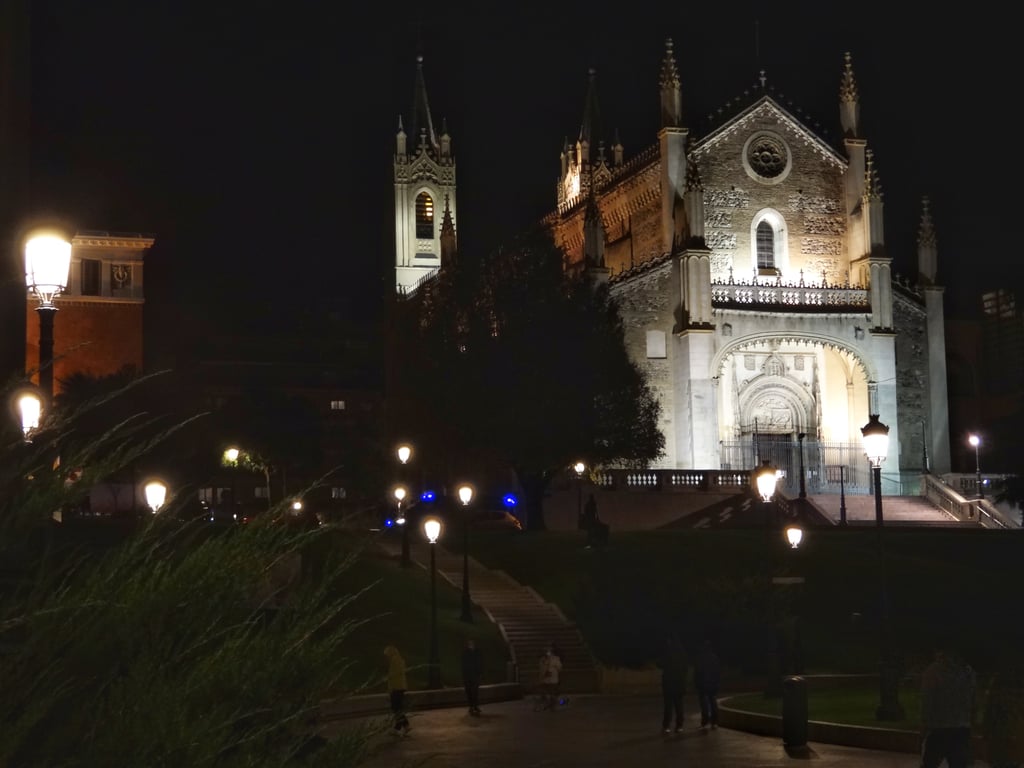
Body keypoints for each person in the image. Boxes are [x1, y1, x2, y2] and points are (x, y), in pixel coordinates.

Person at [920, 643, 977, 768]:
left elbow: (928, 701)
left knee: (930, 762)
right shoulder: (968, 672)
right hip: (961, 727)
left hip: (940, 727)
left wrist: (924, 726)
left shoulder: (933, 671)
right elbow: (971, 701)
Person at [660, 635, 687, 734]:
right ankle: (679, 725)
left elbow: (664, 666)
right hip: (679, 684)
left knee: (668, 706)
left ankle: (666, 726)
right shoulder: (682, 654)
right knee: (679, 706)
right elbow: (685, 670)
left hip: (669, 684)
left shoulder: (668, 653)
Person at [694, 638, 722, 729]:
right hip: (712, 684)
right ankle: (714, 722)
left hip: (703, 684)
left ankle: (705, 722)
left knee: (704, 704)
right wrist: (717, 682)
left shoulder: (700, 658)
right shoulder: (714, 658)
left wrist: (697, 683)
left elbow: (697, 672)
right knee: (713, 702)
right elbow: (717, 672)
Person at [384, 644, 411, 736]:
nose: (386, 657)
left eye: (387, 655)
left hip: (396, 688)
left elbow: (392, 676)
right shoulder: (400, 660)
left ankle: (401, 727)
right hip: (401, 687)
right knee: (398, 708)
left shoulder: (394, 661)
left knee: (396, 708)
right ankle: (403, 726)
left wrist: (390, 688)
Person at [461, 637, 483, 716]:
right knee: (469, 692)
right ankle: (471, 706)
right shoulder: (465, 652)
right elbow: (463, 664)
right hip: (468, 676)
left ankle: (475, 706)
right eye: (470, 643)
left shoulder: (477, 652)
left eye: (472, 643)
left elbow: (480, 662)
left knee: (475, 692)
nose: (471, 644)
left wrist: (480, 673)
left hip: (475, 675)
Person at [538, 644, 563, 710]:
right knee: (545, 693)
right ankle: (548, 704)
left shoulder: (555, 658)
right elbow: (541, 668)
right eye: (545, 651)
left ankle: (553, 705)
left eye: (548, 651)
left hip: (553, 678)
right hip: (544, 678)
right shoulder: (542, 659)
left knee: (553, 692)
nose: (547, 652)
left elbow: (559, 668)